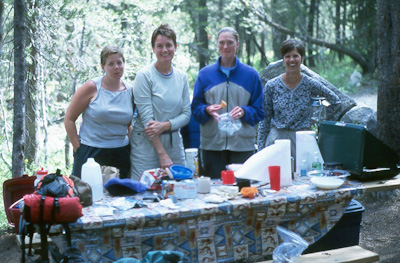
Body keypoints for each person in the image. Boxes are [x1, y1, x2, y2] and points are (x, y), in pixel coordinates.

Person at [191, 27, 264, 179]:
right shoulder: (205, 74)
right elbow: (195, 110)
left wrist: (244, 112)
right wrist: (206, 110)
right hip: (212, 146)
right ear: (216, 45)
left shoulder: (250, 75)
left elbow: (259, 112)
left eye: (230, 43)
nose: (225, 47)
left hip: (242, 147)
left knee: (242, 191)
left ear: (238, 44)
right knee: (214, 192)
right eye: (222, 43)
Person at [257, 38, 340, 158]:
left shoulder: (310, 83)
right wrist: (260, 149)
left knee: (303, 174)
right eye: (287, 56)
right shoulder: (272, 85)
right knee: (277, 174)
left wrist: (317, 121)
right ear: (283, 59)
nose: (291, 60)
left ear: (302, 58)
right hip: (277, 139)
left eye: (295, 56)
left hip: (302, 139)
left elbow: (335, 101)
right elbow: (265, 119)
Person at [130, 24, 191, 180]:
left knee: (179, 187)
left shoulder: (182, 77)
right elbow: (148, 122)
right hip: (146, 146)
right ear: (153, 48)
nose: (165, 50)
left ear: (175, 47)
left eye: (168, 45)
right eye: (160, 46)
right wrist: (162, 154)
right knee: (144, 193)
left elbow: (186, 114)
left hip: (174, 143)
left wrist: (166, 125)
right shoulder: (144, 76)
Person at [64, 46, 134, 179]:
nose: (116, 67)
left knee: (120, 197)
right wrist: (78, 150)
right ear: (103, 67)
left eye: (119, 63)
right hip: (91, 152)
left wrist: (131, 147)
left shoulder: (130, 90)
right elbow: (69, 119)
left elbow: (130, 124)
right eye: (111, 64)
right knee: (88, 196)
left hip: (121, 153)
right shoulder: (91, 87)